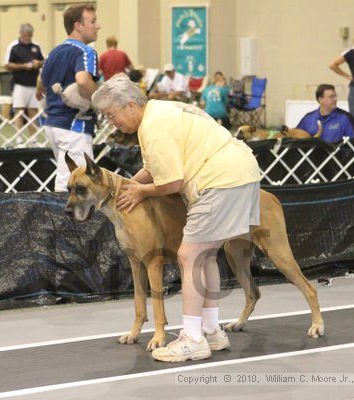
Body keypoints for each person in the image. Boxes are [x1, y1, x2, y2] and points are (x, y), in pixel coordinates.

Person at [92, 75, 262, 362]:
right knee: (205, 256)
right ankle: (211, 331)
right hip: (242, 173)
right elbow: (152, 167)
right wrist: (130, 185)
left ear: (130, 105)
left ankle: (192, 338)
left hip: (218, 179)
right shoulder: (161, 109)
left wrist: (142, 192)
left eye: (112, 115)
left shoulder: (153, 127)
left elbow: (171, 183)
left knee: (189, 255)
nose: (112, 122)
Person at [37, 4, 100, 192]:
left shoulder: (54, 52)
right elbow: (82, 80)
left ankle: (61, 220)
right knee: (81, 185)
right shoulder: (85, 51)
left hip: (53, 124)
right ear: (78, 26)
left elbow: (41, 82)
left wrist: (43, 91)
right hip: (74, 126)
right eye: (93, 21)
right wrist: (97, 101)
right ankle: (69, 221)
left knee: (67, 178)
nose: (98, 26)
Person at [5, 23, 45, 143]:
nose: (28, 37)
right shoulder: (13, 46)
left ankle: (33, 138)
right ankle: (19, 137)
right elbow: (7, 65)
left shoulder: (37, 46)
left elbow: (45, 61)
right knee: (19, 110)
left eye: (30, 35)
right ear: (21, 33)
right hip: (20, 84)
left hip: (34, 85)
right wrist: (23, 66)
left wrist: (39, 63)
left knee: (33, 110)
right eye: (26, 35)